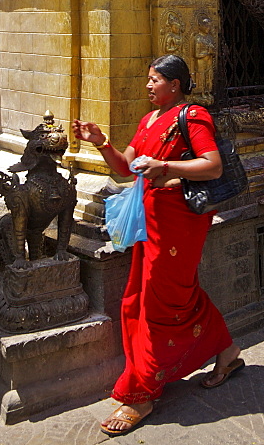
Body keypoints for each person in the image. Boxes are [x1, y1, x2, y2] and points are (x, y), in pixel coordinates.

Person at [72, 55, 242, 437]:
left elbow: (212, 166)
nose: (148, 86)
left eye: (155, 80)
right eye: (148, 80)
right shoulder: (148, 120)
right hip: (151, 222)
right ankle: (227, 351)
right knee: (152, 295)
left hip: (180, 221)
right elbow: (125, 167)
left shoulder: (193, 116)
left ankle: (142, 392)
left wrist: (166, 169)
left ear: (175, 84)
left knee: (157, 303)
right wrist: (102, 143)